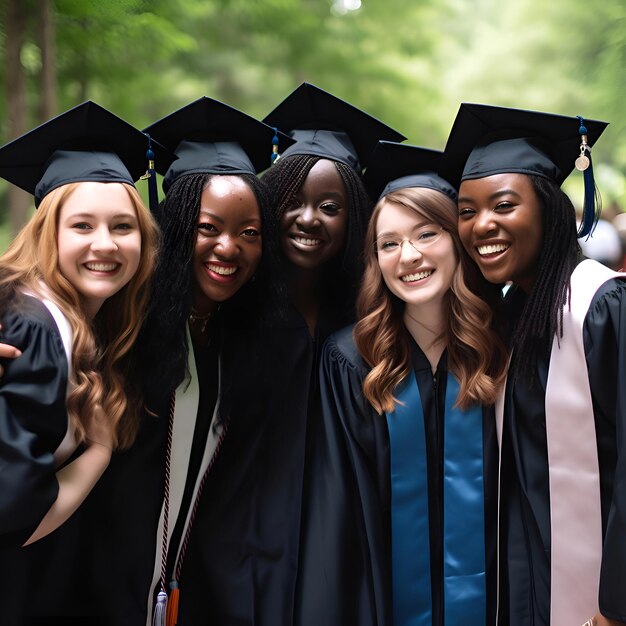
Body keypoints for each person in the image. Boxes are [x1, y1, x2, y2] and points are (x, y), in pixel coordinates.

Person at [176, 83, 405, 626]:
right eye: (291, 202)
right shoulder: (231, 304)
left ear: (356, 220)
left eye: (330, 207)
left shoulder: (367, 318)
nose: (308, 218)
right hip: (231, 535)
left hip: (336, 535)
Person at [84, 96, 291, 626]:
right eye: (207, 228)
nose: (229, 248)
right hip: (86, 582)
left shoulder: (241, 338)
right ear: (175, 228)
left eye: (250, 234)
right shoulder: (116, 324)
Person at [296, 140, 508, 626]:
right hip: (380, 604)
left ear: (457, 240)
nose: (408, 256)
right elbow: (336, 513)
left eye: (426, 234)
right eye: (389, 244)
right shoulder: (350, 360)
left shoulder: (502, 346)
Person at [440, 103, 625, 626]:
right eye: (467, 211)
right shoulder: (511, 318)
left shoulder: (604, 308)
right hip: (525, 589)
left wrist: (616, 607)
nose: (482, 225)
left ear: (547, 208)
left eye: (502, 205)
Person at [0, 100, 160, 624]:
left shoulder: (81, 325)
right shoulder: (39, 329)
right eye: (82, 226)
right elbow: (15, 518)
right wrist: (99, 450)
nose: (105, 244)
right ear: (49, 232)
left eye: (122, 226)